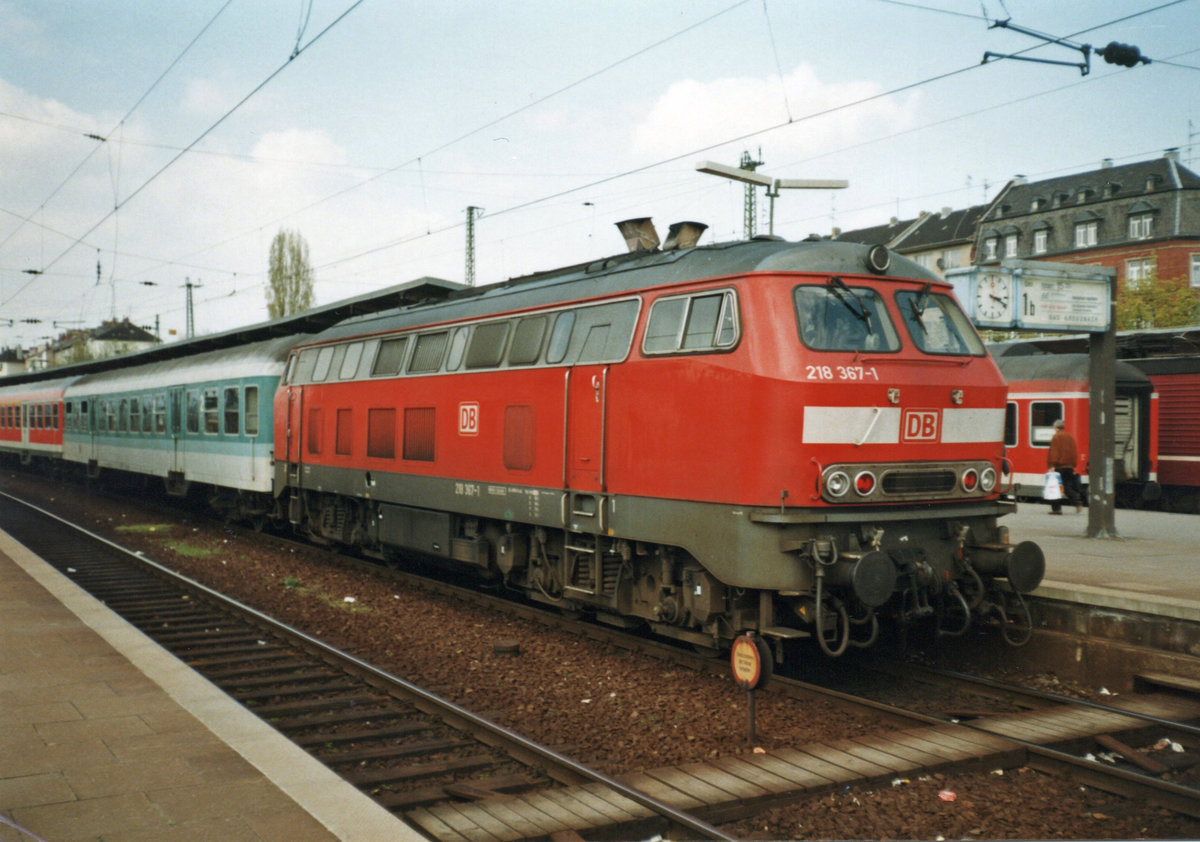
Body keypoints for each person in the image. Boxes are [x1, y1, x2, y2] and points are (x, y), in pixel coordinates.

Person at [1046, 418, 1082, 514]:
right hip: (1069, 467)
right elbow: (1074, 452)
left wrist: (1051, 465)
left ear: (1056, 427)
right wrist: (1073, 464)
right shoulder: (1070, 437)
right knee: (1066, 486)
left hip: (1059, 466)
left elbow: (1054, 452)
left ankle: (1056, 509)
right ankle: (1077, 502)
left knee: (1055, 488)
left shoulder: (1056, 437)